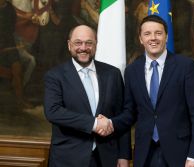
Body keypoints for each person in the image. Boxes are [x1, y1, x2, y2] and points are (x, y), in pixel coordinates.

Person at [98, 15, 194, 167]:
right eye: (147, 34)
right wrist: (110, 122)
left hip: (179, 153)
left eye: (158, 33)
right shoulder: (131, 71)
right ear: (141, 39)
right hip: (145, 153)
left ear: (166, 37)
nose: (153, 38)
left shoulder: (186, 66)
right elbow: (129, 113)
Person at [44, 25, 131, 167]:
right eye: (78, 42)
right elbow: (53, 112)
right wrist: (95, 124)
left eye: (89, 43)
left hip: (107, 158)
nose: (83, 47)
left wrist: (123, 155)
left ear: (96, 44)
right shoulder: (55, 76)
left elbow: (123, 115)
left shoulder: (112, 74)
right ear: (69, 45)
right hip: (68, 159)